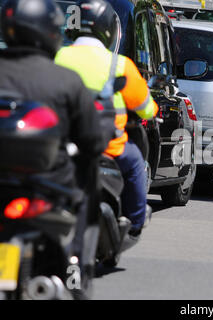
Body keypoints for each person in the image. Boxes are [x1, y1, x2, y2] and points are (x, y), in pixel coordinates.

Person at [0, 0, 106, 287]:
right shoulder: (66, 81)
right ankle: (77, 269)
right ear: (50, 31)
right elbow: (93, 143)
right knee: (91, 173)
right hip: (48, 188)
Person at [55, 0, 159, 239]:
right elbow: (146, 109)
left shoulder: (57, 56)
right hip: (109, 148)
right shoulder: (120, 64)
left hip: (61, 144)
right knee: (135, 164)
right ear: (109, 30)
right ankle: (135, 221)